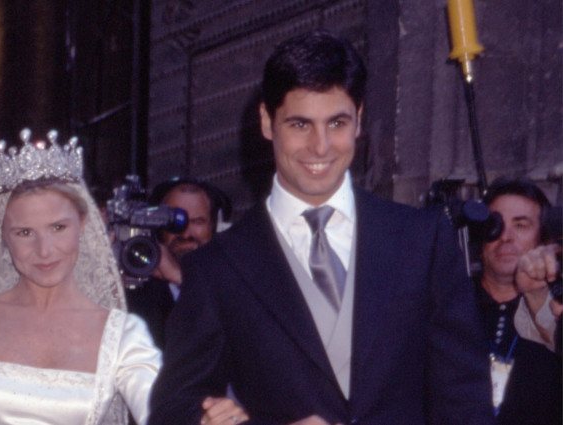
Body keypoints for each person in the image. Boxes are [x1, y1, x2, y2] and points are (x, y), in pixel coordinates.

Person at [148, 30, 494, 425]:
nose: (321, 146)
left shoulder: (422, 240)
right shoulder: (217, 268)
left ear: (359, 119)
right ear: (266, 121)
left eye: (337, 123)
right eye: (300, 124)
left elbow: (465, 401)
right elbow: (173, 410)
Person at [0, 129, 244, 425]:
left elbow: (161, 409)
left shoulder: (120, 335)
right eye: (24, 232)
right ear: (1, 235)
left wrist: (201, 420)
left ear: (84, 225)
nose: (44, 251)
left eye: (58, 228)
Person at [474, 177, 561, 423]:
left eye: (521, 225)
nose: (506, 237)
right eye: (495, 223)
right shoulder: (449, 302)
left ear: (544, 240)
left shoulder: (555, 308)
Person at [126, 177, 231, 348]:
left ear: (214, 227)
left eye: (197, 222)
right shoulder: (135, 295)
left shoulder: (233, 284)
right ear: (158, 228)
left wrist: (182, 279)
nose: (185, 233)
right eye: (174, 221)